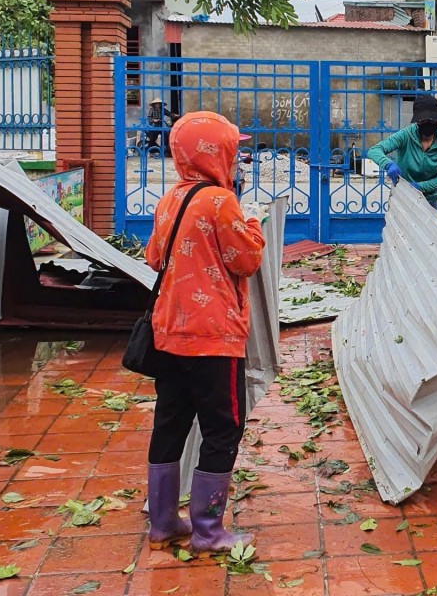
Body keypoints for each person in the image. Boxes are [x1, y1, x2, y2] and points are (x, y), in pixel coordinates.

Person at [144, 111, 265, 556]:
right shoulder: (220, 201)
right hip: (214, 338)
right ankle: (208, 530)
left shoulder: (168, 199)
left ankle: (162, 523)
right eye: (233, 149)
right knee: (222, 429)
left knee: (170, 424)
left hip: (169, 334)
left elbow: (154, 256)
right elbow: (247, 260)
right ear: (217, 153)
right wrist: (253, 225)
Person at [367, 93, 437, 207]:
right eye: (423, 121)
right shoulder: (406, 135)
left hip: (429, 202)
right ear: (417, 122)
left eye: (431, 121)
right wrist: (388, 164)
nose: (427, 124)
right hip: (402, 198)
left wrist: (418, 187)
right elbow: (374, 150)